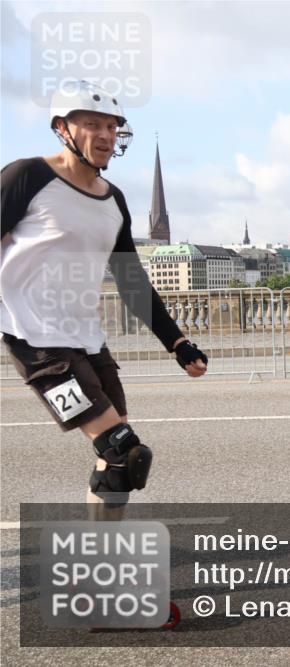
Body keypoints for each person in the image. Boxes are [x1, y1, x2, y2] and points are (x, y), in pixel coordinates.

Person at [1, 81, 209, 521]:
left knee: (118, 466)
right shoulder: (27, 177)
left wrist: (178, 343)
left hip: (88, 342)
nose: (105, 136)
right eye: (92, 124)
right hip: (37, 342)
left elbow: (132, 281)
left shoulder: (112, 200)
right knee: (123, 449)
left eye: (113, 127)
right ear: (62, 128)